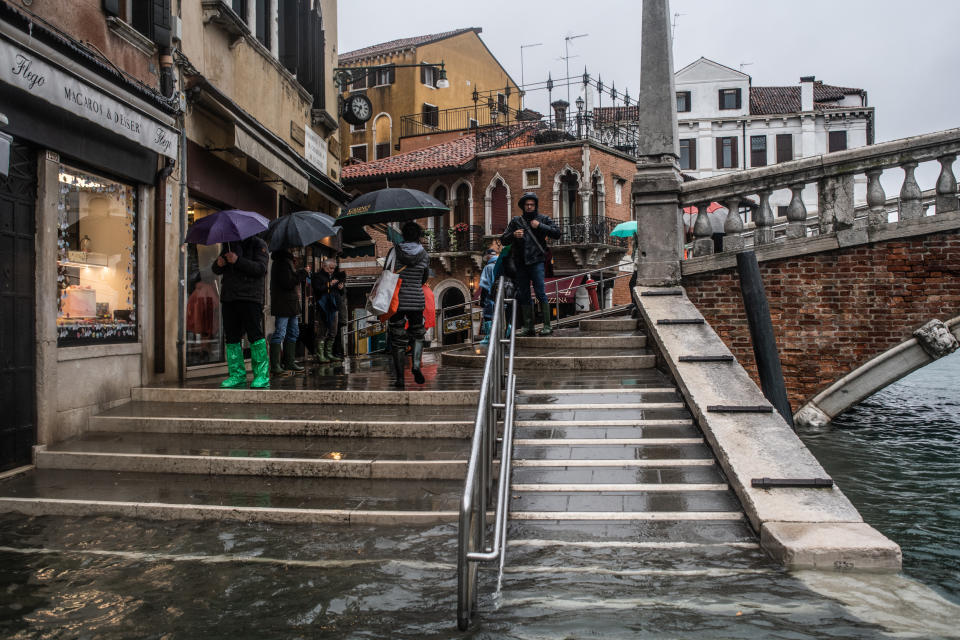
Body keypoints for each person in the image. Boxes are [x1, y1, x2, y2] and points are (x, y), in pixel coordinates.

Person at [211, 235, 269, 389]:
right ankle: (236, 375)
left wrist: (238, 260)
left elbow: (260, 269)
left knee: (255, 335)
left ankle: (261, 375)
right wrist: (219, 263)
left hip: (250, 297)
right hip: (230, 297)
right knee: (231, 337)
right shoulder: (229, 244)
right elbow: (216, 269)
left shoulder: (259, 244)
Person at [500, 192, 561, 336]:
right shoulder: (516, 221)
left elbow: (557, 233)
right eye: (527, 205)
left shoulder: (543, 219)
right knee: (524, 294)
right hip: (520, 263)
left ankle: (547, 326)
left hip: (536, 261)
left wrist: (540, 226)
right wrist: (513, 235)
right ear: (523, 206)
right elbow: (503, 240)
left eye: (532, 204)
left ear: (535, 206)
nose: (529, 207)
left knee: (540, 292)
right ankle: (529, 327)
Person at [386, 221, 430, 387]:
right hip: (416, 299)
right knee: (418, 333)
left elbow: (386, 273)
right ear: (418, 236)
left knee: (397, 338)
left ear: (403, 235)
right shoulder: (424, 254)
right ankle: (416, 366)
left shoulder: (394, 251)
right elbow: (424, 277)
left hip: (397, 300)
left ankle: (400, 379)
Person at [268, 249, 306, 376]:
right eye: (292, 250)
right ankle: (275, 365)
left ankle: (289, 362)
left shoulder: (287, 262)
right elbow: (288, 283)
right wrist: (301, 273)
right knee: (280, 333)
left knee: (294, 332)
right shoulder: (281, 263)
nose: (294, 251)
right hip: (283, 304)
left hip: (290, 304)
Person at [311, 258, 345, 364]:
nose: (332, 270)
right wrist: (329, 284)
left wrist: (341, 288)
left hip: (333, 306)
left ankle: (329, 353)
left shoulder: (334, 276)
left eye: (333, 268)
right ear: (324, 266)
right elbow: (318, 289)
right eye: (330, 268)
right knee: (322, 331)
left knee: (333, 331)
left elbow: (340, 293)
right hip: (323, 307)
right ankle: (320, 355)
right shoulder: (318, 276)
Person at [477, 248, 498, 345]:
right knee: (501, 315)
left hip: (490, 297)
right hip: (501, 296)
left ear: (488, 256)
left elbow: (485, 285)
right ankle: (505, 334)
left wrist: (482, 299)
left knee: (488, 316)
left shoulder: (488, 267)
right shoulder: (501, 265)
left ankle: (489, 337)